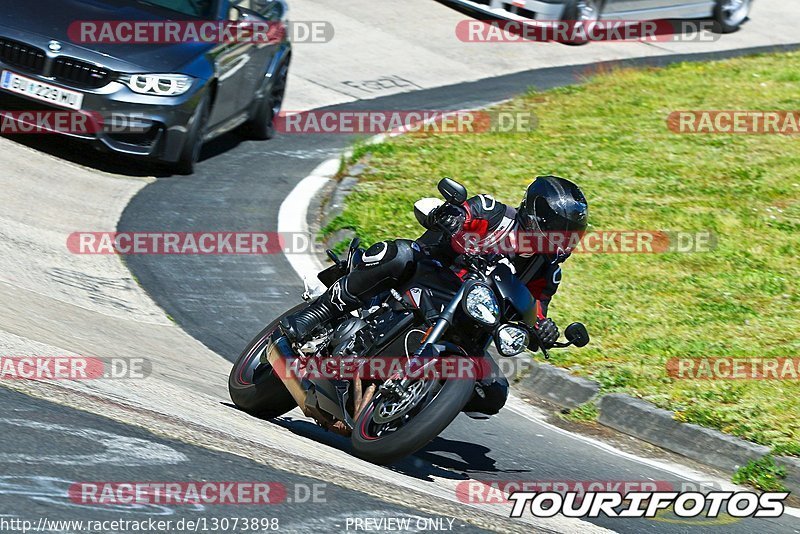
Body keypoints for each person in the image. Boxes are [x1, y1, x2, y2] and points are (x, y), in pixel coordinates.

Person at [280, 175, 589, 416]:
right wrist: (452, 217)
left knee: (493, 393)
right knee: (399, 253)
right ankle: (316, 315)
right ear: (536, 219)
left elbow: (535, 308)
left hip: (469, 322)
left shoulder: (546, 271)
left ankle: (419, 405)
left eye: (570, 236)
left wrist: (543, 328)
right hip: (429, 279)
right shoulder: (494, 214)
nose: (563, 243)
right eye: (559, 232)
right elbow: (460, 213)